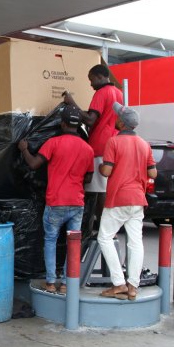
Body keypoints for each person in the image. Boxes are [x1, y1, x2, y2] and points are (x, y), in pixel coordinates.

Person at [18, 105, 94, 293]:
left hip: (56, 202)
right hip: (77, 203)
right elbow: (90, 178)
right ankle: (67, 284)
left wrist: (24, 149)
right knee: (73, 244)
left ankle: (51, 282)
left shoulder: (54, 143)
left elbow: (34, 164)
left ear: (62, 124)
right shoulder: (88, 149)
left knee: (51, 240)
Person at [97, 102, 157, 300]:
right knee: (135, 242)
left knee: (104, 237)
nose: (114, 119)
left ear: (121, 123)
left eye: (117, 117)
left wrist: (99, 168)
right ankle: (133, 286)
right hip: (138, 200)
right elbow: (153, 173)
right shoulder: (144, 144)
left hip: (118, 198)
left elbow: (106, 171)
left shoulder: (113, 142)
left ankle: (119, 283)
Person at [64, 64, 123, 232]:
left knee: (96, 190)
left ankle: (99, 229)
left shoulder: (101, 93)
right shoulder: (119, 93)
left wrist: (72, 103)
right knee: (104, 188)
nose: (91, 84)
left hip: (99, 146)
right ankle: (105, 228)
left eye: (91, 80)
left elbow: (90, 120)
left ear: (99, 77)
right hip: (113, 144)